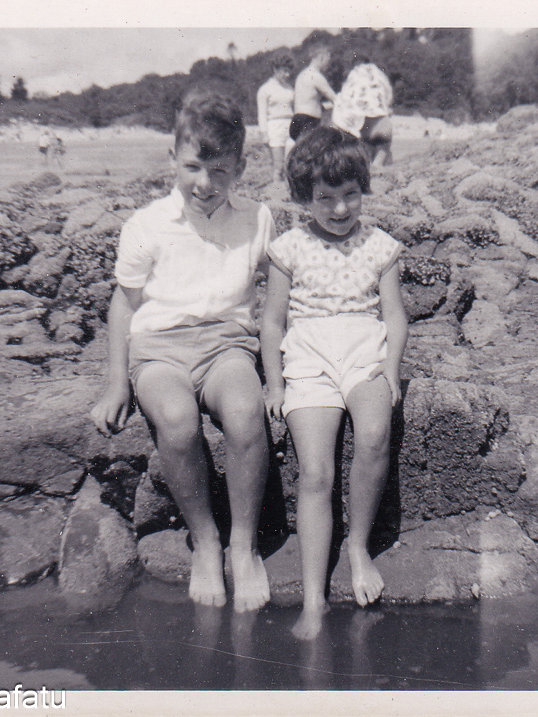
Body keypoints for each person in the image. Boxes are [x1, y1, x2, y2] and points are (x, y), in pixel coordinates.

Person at [90, 88, 274, 613]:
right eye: (193, 166)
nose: (204, 183)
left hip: (226, 345)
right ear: (172, 158)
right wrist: (116, 383)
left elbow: (282, 289)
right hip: (159, 349)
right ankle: (206, 540)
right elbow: (124, 307)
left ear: (241, 166)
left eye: (220, 170)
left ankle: (242, 543)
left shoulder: (257, 220)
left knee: (244, 411)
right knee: (176, 419)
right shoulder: (147, 225)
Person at [260, 126, 408, 640]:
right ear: (304, 198)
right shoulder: (288, 248)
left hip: (365, 350)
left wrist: (390, 371)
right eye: (326, 199)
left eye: (350, 196)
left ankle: (358, 547)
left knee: (372, 435)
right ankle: (313, 599)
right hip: (309, 357)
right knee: (316, 472)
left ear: (363, 190)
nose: (341, 210)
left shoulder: (381, 245)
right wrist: (275, 386)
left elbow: (394, 316)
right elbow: (273, 323)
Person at [331, 62, 394, 168]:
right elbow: (389, 99)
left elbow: (344, 105)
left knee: (363, 164)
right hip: (385, 130)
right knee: (380, 159)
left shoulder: (353, 82)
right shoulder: (379, 80)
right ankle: (378, 164)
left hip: (364, 132)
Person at [257, 55, 295, 183]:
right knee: (278, 166)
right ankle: (276, 193)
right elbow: (262, 114)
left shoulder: (290, 88)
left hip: (290, 125)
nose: (287, 75)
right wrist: (264, 134)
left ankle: (288, 192)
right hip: (274, 127)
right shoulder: (265, 89)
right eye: (284, 71)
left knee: (290, 163)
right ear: (275, 69)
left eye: (289, 71)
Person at [289, 46, 335, 143]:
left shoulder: (302, 75)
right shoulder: (317, 76)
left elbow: (308, 99)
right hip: (308, 121)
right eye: (327, 60)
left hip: (296, 120)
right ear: (321, 58)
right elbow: (335, 99)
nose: (328, 65)